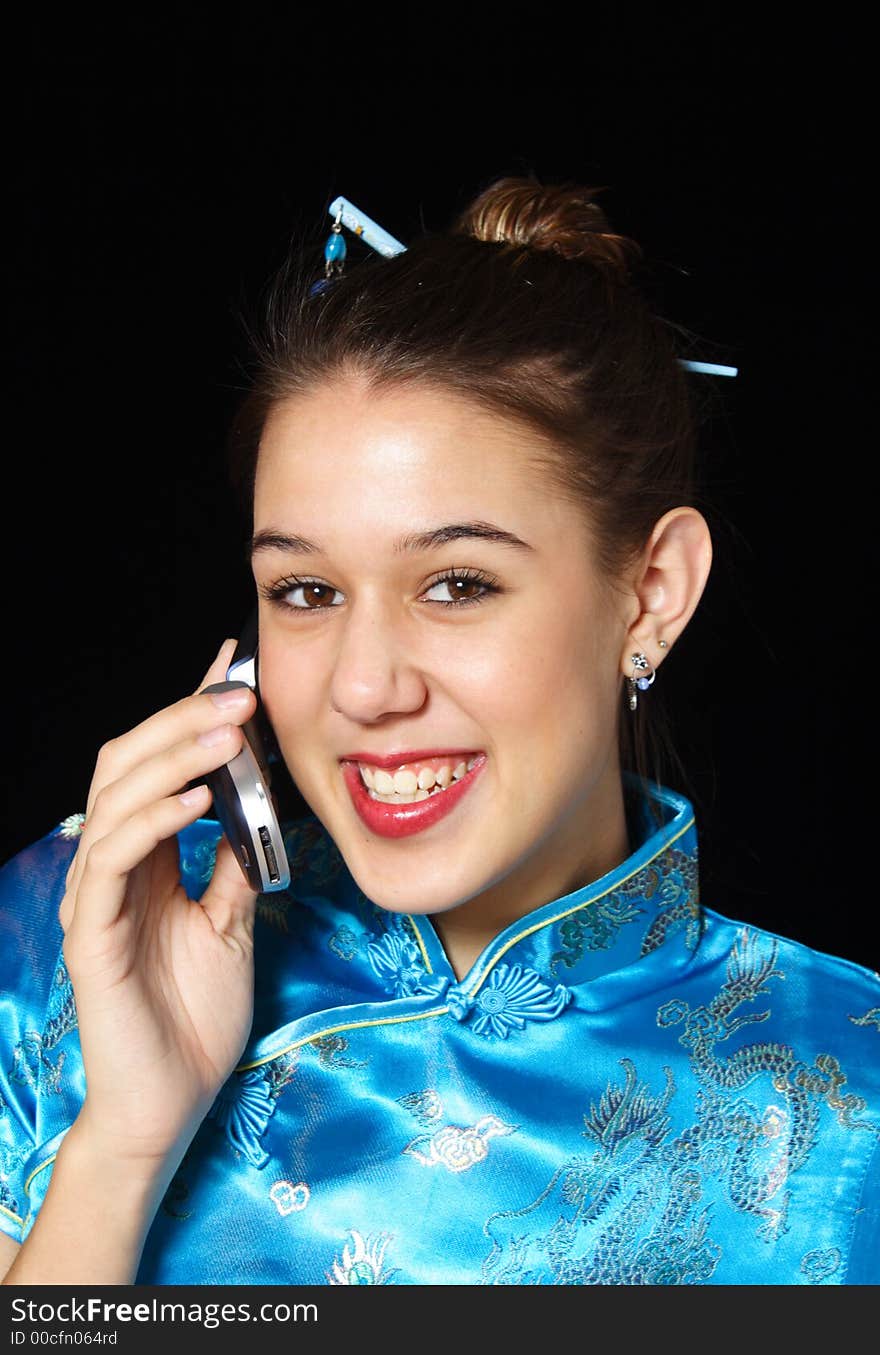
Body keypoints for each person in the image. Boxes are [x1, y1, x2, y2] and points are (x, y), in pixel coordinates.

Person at [1, 177, 877, 1287]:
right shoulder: (66, 938)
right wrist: (122, 1144)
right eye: (307, 590)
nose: (363, 688)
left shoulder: (845, 1099)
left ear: (652, 590)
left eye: (457, 583)